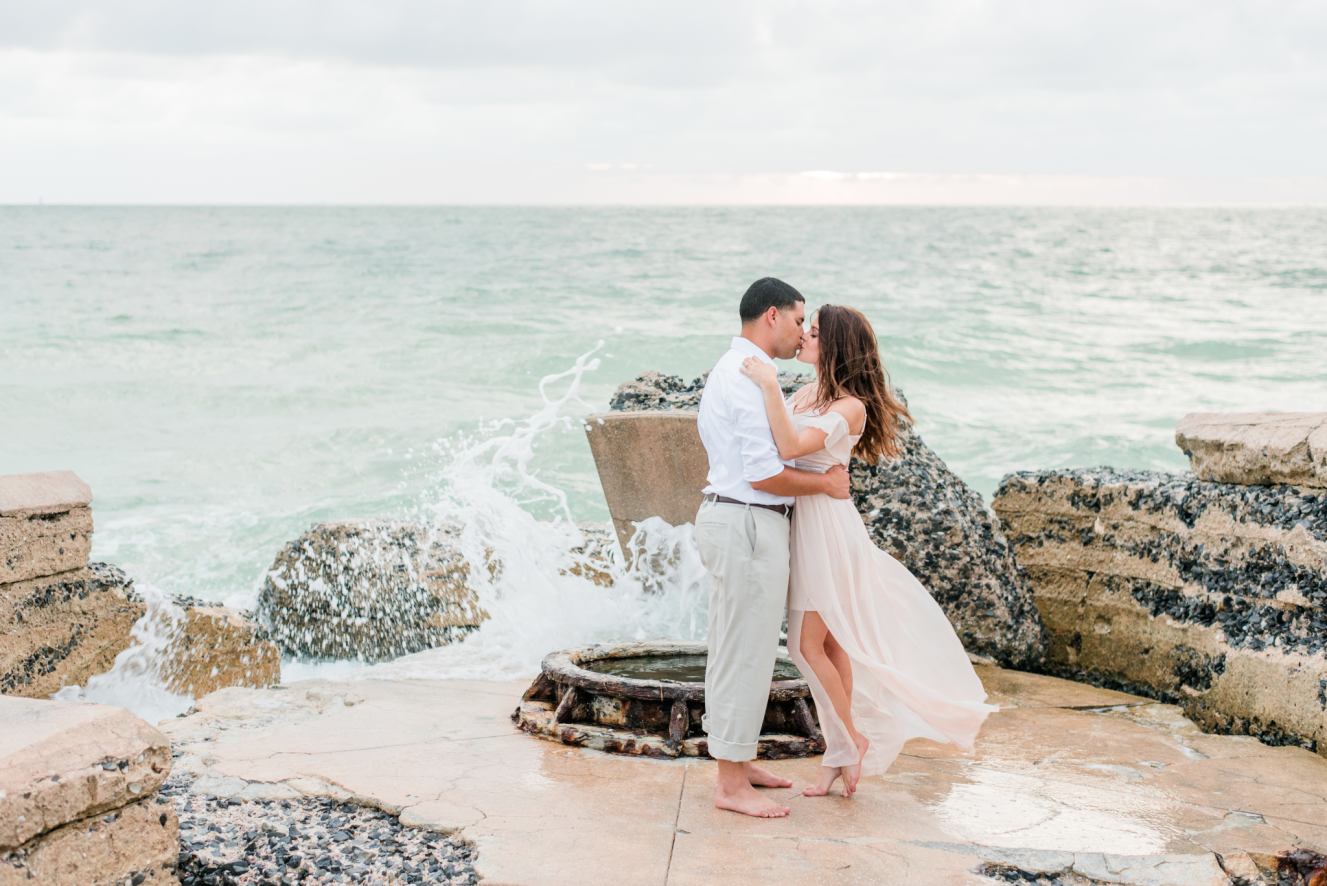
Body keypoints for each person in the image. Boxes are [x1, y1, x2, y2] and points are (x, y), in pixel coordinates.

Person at [739, 304, 996, 799]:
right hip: (806, 522)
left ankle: (848, 740)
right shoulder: (808, 392)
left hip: (827, 532)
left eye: (815, 333)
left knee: (804, 647)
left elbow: (790, 447)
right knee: (831, 646)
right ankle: (839, 753)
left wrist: (767, 385)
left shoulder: (850, 406)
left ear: (835, 346)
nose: (804, 337)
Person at [694, 278, 853, 819]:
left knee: (736, 648)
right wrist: (824, 484)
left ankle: (738, 762)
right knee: (746, 653)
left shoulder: (736, 369)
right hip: (747, 521)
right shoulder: (746, 376)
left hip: (736, 518)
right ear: (771, 316)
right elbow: (764, 475)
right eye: (798, 320)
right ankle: (730, 785)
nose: (802, 332)